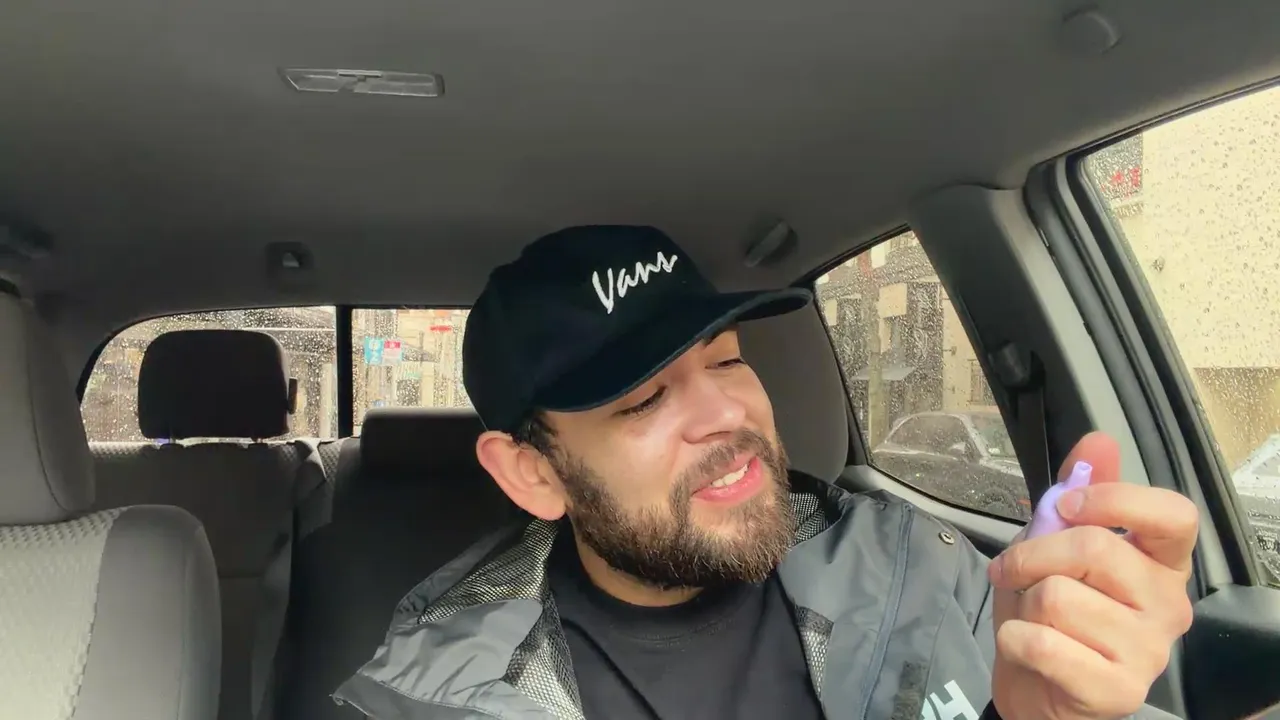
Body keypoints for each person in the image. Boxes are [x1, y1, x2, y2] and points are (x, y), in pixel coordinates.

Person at [334, 225, 1197, 720]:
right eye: (642, 399)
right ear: (533, 475)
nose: (727, 413)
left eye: (728, 359)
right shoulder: (432, 699)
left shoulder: (921, 570)